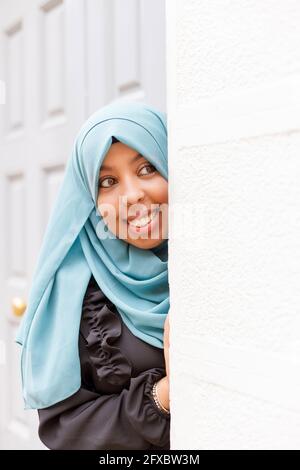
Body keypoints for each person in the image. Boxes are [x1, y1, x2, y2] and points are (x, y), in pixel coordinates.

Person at [15, 101, 170, 450]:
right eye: (108, 181)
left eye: (146, 168)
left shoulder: (223, 265)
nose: (131, 195)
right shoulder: (81, 302)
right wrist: (161, 396)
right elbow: (64, 430)